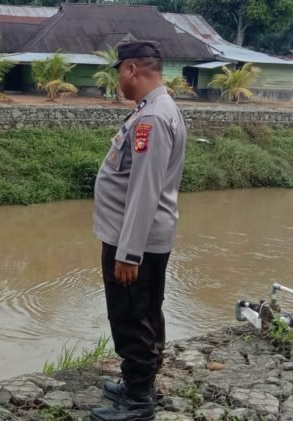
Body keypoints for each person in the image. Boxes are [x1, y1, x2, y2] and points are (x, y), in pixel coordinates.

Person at [90, 41, 188, 421]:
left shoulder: (152, 119)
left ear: (131, 69)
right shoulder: (154, 110)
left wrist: (128, 253)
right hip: (138, 238)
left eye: (119, 72)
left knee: (131, 317)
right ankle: (138, 382)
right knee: (145, 312)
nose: (118, 80)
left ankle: (137, 401)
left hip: (133, 242)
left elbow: (144, 190)